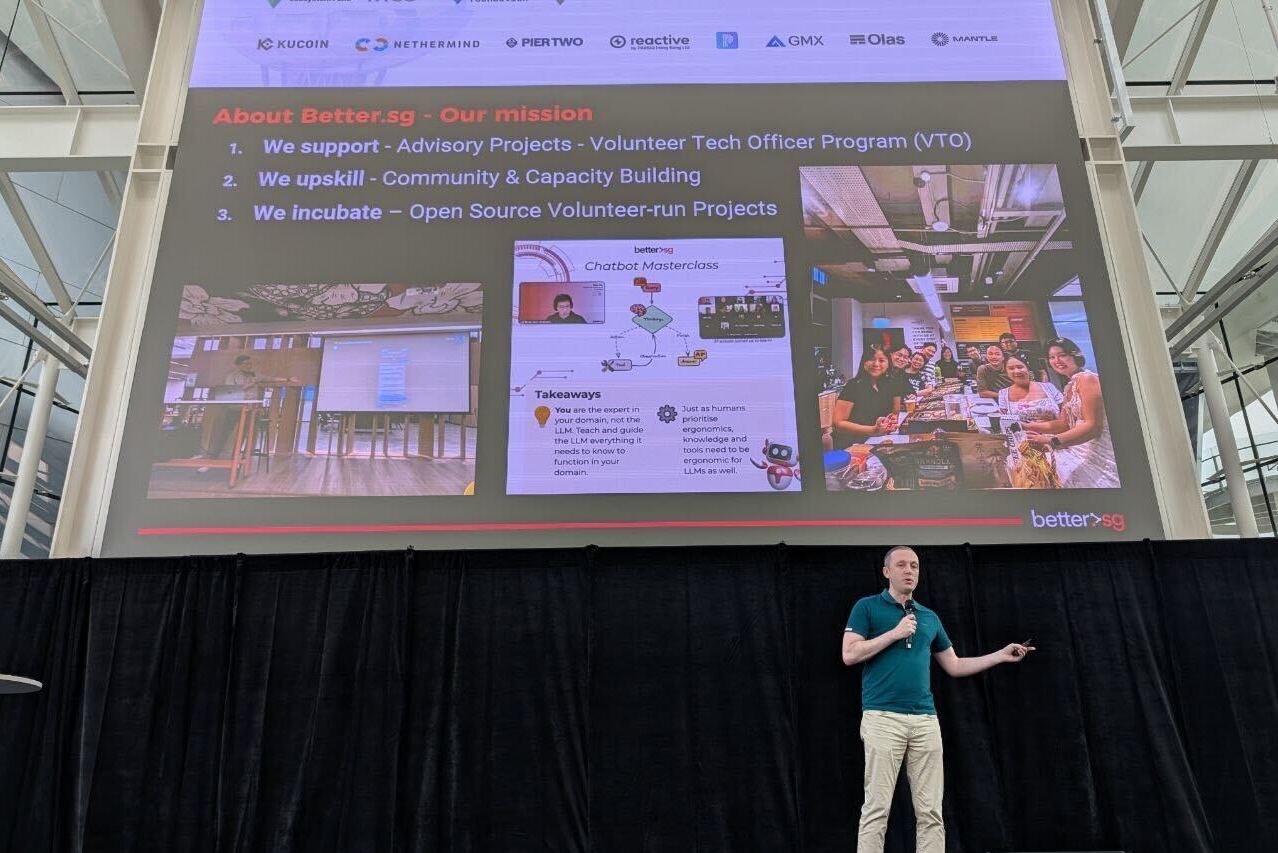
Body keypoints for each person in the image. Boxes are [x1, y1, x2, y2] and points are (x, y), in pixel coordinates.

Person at [843, 546, 1034, 853]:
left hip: (925, 721)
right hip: (883, 718)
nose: (909, 570)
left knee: (931, 811)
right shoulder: (867, 607)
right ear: (886, 571)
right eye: (901, 565)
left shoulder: (929, 617)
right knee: (877, 808)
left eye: (915, 565)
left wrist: (1000, 655)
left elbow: (954, 665)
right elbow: (850, 654)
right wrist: (894, 633)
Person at [1023, 337, 1119, 488]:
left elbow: (1093, 427)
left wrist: (1051, 440)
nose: (1057, 361)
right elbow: (1063, 424)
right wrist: (1027, 426)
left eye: (1062, 355)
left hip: (1097, 446)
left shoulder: (1087, 379)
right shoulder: (1070, 385)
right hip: (1080, 443)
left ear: (1075, 355)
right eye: (1052, 357)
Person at [833, 347, 901, 445]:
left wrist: (890, 421)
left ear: (888, 364)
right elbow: (838, 423)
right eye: (871, 359)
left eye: (881, 360)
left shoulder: (891, 384)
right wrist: (873, 430)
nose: (876, 364)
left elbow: (894, 413)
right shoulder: (853, 385)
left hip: (880, 440)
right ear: (864, 362)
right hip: (853, 442)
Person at [997, 351, 1062, 421]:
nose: (1017, 371)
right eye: (1011, 368)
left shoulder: (1049, 387)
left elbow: (1066, 414)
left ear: (1028, 368)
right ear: (1006, 372)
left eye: (1020, 367)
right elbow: (1005, 421)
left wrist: (1054, 417)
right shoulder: (1003, 394)